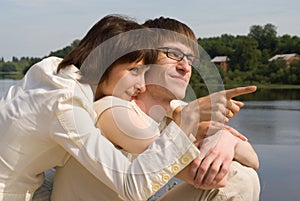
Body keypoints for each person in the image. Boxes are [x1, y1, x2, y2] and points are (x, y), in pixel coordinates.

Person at [50, 17, 260, 201]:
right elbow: (200, 173)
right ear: (146, 59)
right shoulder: (113, 109)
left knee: (245, 176)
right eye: (173, 54)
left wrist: (226, 139)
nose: (185, 67)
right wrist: (197, 124)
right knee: (236, 177)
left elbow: (253, 160)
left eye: (190, 59)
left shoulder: (173, 113)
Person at [0, 15, 204, 201]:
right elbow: (130, 184)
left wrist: (177, 108)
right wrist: (184, 125)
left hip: (33, 185)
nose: (142, 85)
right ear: (105, 63)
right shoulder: (66, 104)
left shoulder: (57, 70)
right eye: (135, 71)